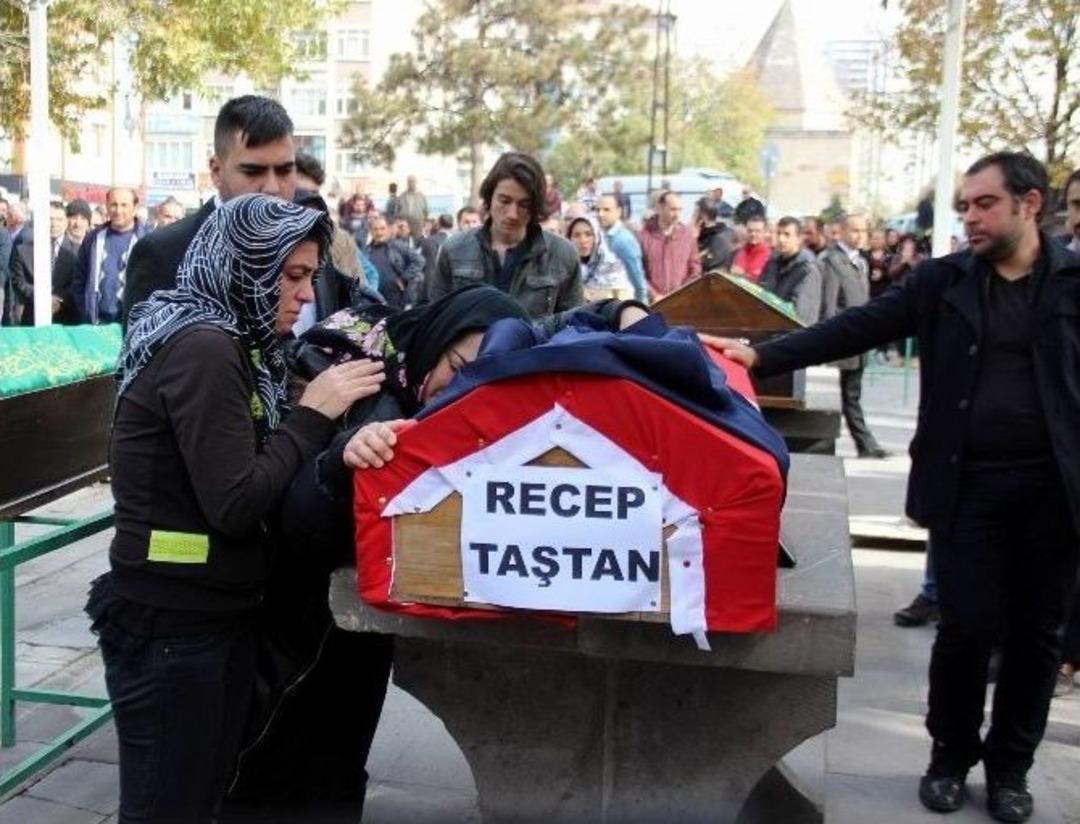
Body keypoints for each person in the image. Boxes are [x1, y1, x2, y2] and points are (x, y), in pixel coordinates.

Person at [711, 151, 1080, 824]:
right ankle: (949, 759)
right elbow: (862, 325)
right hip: (968, 487)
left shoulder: (1072, 283)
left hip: (1055, 493)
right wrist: (763, 355)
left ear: (1029, 205)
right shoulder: (943, 281)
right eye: (965, 205)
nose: (969, 217)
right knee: (966, 631)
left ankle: (1011, 770)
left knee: (1036, 638)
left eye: (985, 204)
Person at [84, 194, 385, 823]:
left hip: (204, 616)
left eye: (310, 277)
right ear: (245, 265)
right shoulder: (204, 346)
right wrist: (313, 414)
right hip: (175, 626)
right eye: (291, 276)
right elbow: (236, 502)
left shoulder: (238, 340)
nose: (304, 295)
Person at [122, 95, 297, 326]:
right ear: (216, 171)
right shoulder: (162, 254)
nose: (272, 187)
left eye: (285, 171)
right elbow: (144, 347)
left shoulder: (311, 245)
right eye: (253, 171)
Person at [430, 152, 583, 318]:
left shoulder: (562, 255)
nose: (512, 214)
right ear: (490, 197)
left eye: (524, 204)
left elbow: (574, 325)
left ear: (535, 207)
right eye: (504, 201)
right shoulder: (454, 250)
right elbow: (436, 321)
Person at [817, 213, 889, 459]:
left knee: (852, 394)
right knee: (847, 394)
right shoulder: (832, 260)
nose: (860, 236)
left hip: (860, 338)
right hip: (844, 338)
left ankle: (865, 444)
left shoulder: (861, 261)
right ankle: (865, 444)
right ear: (843, 231)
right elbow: (829, 305)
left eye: (864, 231)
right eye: (855, 230)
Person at [70, 187, 149, 324]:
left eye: (124, 205)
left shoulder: (148, 241)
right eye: (114, 204)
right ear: (106, 206)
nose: (118, 210)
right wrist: (86, 310)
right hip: (96, 324)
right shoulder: (93, 239)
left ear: (135, 208)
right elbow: (79, 279)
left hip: (133, 325)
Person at [9, 200, 80, 325]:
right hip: (32, 319)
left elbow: (79, 283)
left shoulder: (78, 252)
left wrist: (59, 299)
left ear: (66, 222)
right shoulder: (22, 250)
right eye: (50, 219)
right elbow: (18, 282)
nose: (54, 224)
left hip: (66, 320)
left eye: (59, 219)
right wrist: (43, 299)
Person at [637, 190, 701, 299]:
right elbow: (637, 272)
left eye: (680, 209)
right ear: (660, 208)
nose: (677, 215)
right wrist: (654, 295)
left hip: (681, 301)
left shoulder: (687, 236)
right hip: (652, 302)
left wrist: (683, 293)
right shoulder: (643, 236)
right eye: (673, 209)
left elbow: (695, 269)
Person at [759, 216, 822, 325]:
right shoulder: (772, 263)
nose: (781, 239)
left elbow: (802, 315)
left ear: (799, 238)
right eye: (779, 234)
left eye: (787, 235)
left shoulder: (807, 270)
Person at [566, 215, 633, 301]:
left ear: (597, 237)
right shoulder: (563, 269)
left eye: (588, 234)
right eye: (576, 235)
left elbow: (625, 301)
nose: (583, 240)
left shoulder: (612, 267)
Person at [366, 213, 424, 309]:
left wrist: (403, 278)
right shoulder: (366, 250)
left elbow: (419, 260)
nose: (379, 232)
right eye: (375, 229)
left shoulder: (398, 246)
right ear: (371, 231)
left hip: (394, 297)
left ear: (388, 230)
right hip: (374, 296)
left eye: (382, 228)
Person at [597, 193, 647, 303]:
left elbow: (637, 280)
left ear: (618, 212)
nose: (600, 214)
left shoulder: (623, 240)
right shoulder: (601, 236)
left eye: (606, 210)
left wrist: (641, 307)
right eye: (598, 210)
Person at [695, 198, 734, 273]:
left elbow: (704, 264)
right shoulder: (726, 232)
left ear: (703, 216)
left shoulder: (715, 238)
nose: (692, 217)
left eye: (694, 214)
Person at [729, 215, 771, 283]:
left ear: (765, 232)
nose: (753, 234)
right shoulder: (738, 252)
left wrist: (742, 275)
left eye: (757, 231)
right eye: (750, 231)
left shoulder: (770, 257)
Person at [421, 213, 453, 287]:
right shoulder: (456, 240)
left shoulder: (429, 241)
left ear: (438, 224)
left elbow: (425, 264)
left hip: (432, 283)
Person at [397, 175, 428, 240]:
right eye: (409, 181)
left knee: (417, 241)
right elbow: (397, 210)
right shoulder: (402, 196)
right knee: (404, 241)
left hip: (417, 225)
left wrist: (424, 223)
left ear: (416, 182)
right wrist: (399, 222)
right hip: (404, 225)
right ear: (407, 183)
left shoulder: (421, 196)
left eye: (413, 181)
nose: (411, 183)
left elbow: (426, 211)